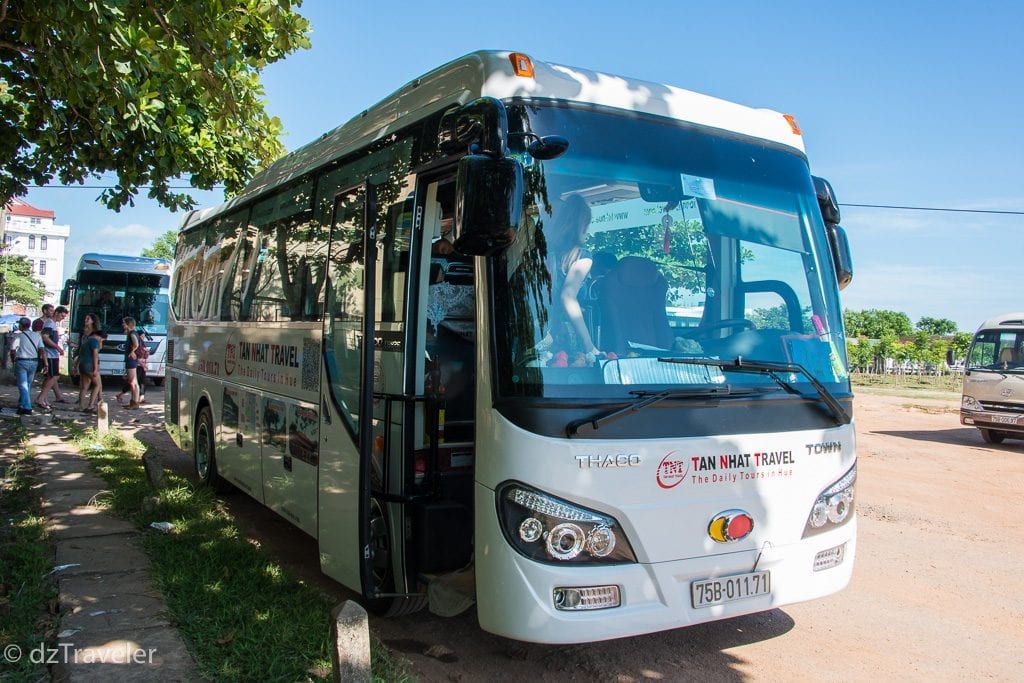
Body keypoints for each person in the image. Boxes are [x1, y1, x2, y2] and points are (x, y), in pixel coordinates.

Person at [540, 194, 602, 360]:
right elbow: (567, 296)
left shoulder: (542, 252)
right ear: (583, 226)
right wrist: (589, 346)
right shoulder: (582, 256)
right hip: (565, 340)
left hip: (539, 335)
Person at [35, 304, 70, 409]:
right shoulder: (50, 323)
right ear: (57, 313)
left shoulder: (53, 324)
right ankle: (41, 398)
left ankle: (44, 398)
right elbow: (45, 337)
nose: (62, 318)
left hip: (52, 354)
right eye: (62, 316)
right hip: (50, 354)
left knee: (49, 377)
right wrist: (57, 347)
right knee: (54, 376)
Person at [8, 317, 44, 415]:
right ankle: (21, 405)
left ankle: (27, 407)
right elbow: (41, 349)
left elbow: (12, 350)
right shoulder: (37, 335)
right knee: (27, 384)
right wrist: (42, 361)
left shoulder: (18, 336)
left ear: (21, 325)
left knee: (23, 385)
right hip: (34, 362)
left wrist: (13, 361)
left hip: (21, 362)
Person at [76, 313, 103, 412]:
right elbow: (95, 355)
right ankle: (91, 405)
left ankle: (80, 406)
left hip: (82, 364)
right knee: (97, 385)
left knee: (84, 387)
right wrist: (96, 368)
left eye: (88, 318)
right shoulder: (94, 339)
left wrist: (76, 366)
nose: (85, 320)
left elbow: (80, 352)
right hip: (89, 364)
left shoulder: (85, 338)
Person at [119, 317, 142, 409]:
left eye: (124, 323)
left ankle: (135, 402)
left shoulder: (132, 334)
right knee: (132, 381)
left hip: (131, 360)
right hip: (131, 360)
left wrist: (132, 351)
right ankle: (133, 401)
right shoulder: (132, 333)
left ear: (129, 324)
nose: (123, 325)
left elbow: (136, 344)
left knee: (133, 382)